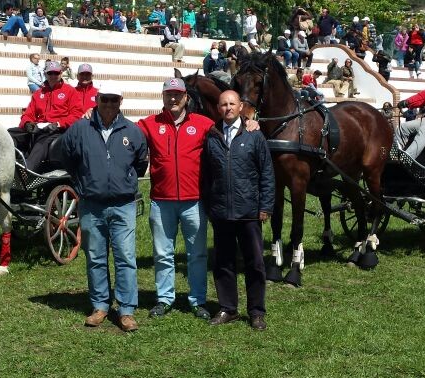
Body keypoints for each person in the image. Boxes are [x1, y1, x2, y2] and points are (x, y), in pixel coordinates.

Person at [60, 84, 148, 332]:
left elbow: (141, 161)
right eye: (105, 99)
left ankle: (127, 310)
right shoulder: (80, 128)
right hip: (92, 205)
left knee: (126, 258)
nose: (109, 105)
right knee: (96, 258)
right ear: (97, 99)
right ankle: (100, 306)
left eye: (114, 100)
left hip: (123, 204)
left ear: (121, 101)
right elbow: (65, 154)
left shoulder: (132, 130)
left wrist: (125, 181)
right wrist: (81, 181)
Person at [136, 78, 215, 321]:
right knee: (162, 253)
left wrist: (250, 123)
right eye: (168, 94)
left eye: (177, 94)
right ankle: (164, 298)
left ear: (186, 98)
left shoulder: (204, 124)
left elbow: (231, 131)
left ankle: (198, 299)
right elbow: (121, 131)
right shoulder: (149, 124)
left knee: (198, 254)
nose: (173, 98)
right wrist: (91, 113)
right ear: (162, 97)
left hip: (194, 200)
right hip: (162, 200)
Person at [202, 90, 274, 330]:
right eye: (223, 104)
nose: (228, 108)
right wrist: (208, 205)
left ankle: (256, 312)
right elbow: (206, 175)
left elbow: (266, 173)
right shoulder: (211, 135)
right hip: (221, 212)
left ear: (241, 106)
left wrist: (265, 206)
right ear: (218, 107)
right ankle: (227, 308)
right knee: (223, 262)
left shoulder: (254, 135)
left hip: (249, 211)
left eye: (232, 104)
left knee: (254, 263)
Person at [10, 60, 76, 171]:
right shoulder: (38, 93)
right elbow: (28, 114)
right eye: (50, 73)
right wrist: (27, 124)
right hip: (38, 128)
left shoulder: (70, 91)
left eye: (56, 73)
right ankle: (7, 165)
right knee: (11, 133)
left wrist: (58, 124)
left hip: (57, 130)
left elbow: (76, 115)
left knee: (42, 141)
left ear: (61, 74)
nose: (53, 76)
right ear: (45, 74)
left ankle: (26, 172)